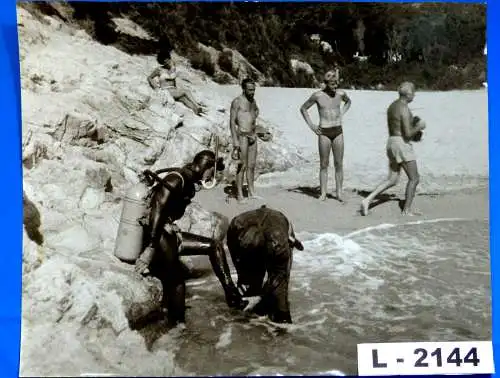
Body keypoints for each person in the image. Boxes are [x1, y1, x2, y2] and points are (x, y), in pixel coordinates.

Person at [133, 150, 244, 326]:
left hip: (167, 231)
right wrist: (150, 249)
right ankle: (178, 327)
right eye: (211, 173)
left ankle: (231, 293)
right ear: (206, 167)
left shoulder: (189, 182)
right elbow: (156, 210)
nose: (210, 177)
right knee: (177, 280)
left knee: (214, 246)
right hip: (154, 233)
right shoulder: (176, 179)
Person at [226, 205, 304, 324]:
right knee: (258, 291)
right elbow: (280, 275)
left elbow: (278, 276)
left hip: (251, 231)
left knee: (270, 295)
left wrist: (259, 295)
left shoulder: (277, 243)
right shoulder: (236, 227)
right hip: (265, 235)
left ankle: (277, 323)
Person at [360, 81, 426, 217]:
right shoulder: (405, 109)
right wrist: (419, 126)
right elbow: (407, 134)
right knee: (414, 178)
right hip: (401, 143)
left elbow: (398, 128)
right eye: (413, 92)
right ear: (408, 94)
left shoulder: (392, 106)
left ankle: (367, 200)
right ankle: (406, 210)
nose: (414, 95)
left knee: (393, 179)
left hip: (391, 142)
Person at [300, 69, 352, 202]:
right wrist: (312, 126)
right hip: (324, 132)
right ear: (326, 83)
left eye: (336, 84)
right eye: (332, 84)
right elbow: (303, 108)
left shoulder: (341, 94)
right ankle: (323, 193)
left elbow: (348, 102)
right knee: (324, 164)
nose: (335, 86)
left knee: (339, 163)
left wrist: (342, 113)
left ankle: (339, 192)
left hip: (338, 131)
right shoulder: (317, 96)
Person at [148, 50, 206, 116]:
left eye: (168, 59)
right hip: (167, 91)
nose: (168, 61)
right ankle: (197, 105)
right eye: (166, 60)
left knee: (184, 99)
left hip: (174, 90)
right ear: (162, 61)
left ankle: (195, 109)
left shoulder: (172, 69)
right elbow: (149, 77)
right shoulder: (159, 69)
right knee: (185, 91)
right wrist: (155, 86)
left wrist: (172, 66)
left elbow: (173, 79)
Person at [229, 78, 261, 203]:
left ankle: (251, 191)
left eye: (254, 89)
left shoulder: (253, 101)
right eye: (250, 90)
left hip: (253, 135)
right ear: (243, 89)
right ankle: (240, 195)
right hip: (242, 136)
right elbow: (232, 122)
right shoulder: (237, 102)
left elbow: (255, 111)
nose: (252, 92)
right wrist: (235, 141)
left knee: (252, 166)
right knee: (242, 165)